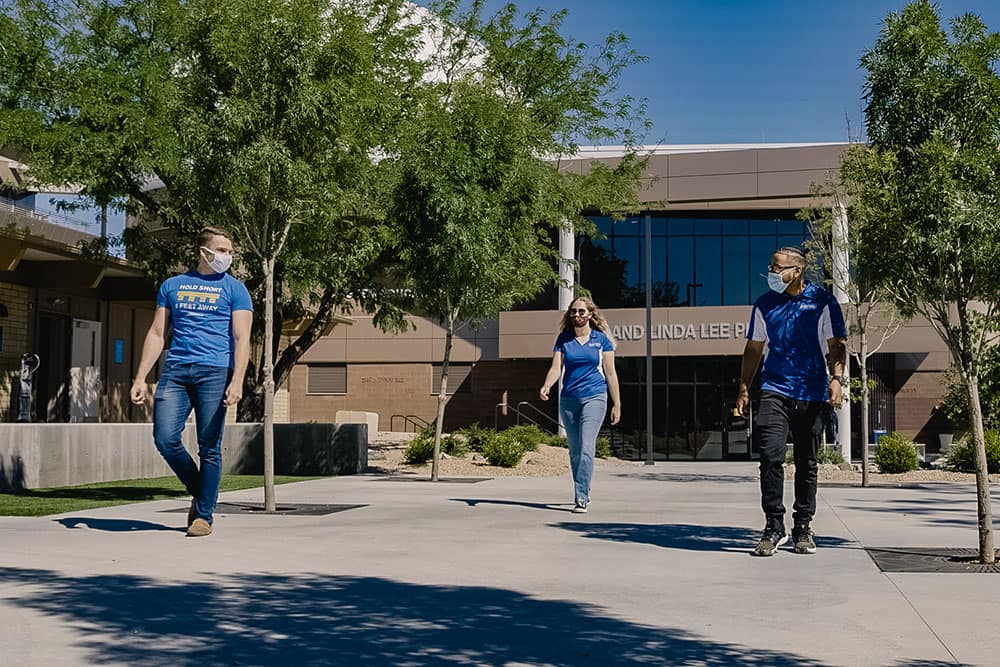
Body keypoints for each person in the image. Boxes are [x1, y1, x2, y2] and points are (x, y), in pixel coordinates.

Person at [130, 227, 253, 537]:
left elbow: (242, 338)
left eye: (229, 251)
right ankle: (202, 492)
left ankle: (203, 516)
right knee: (165, 438)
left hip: (215, 371)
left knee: (209, 446)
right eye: (221, 250)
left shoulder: (236, 290)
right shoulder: (172, 285)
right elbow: (158, 333)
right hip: (176, 370)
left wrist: (237, 380)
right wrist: (140, 377)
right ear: (204, 252)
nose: (227, 256)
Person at [736, 246, 846, 556]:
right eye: (771, 266)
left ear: (796, 271)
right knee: (770, 456)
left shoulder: (822, 302)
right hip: (774, 388)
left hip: (811, 392)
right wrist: (744, 386)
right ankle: (773, 526)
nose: (770, 272)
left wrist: (836, 379)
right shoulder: (765, 305)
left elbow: (837, 345)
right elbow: (754, 349)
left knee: (806, 462)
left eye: (777, 267)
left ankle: (803, 527)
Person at [539, 297, 621, 513]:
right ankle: (583, 488)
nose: (577, 315)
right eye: (573, 312)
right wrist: (547, 385)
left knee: (586, 448)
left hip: (595, 396)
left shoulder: (601, 340)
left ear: (590, 315)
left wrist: (617, 403)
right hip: (568, 399)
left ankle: (581, 497)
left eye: (581, 312)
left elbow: (611, 373)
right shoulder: (563, 340)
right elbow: (556, 368)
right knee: (575, 451)